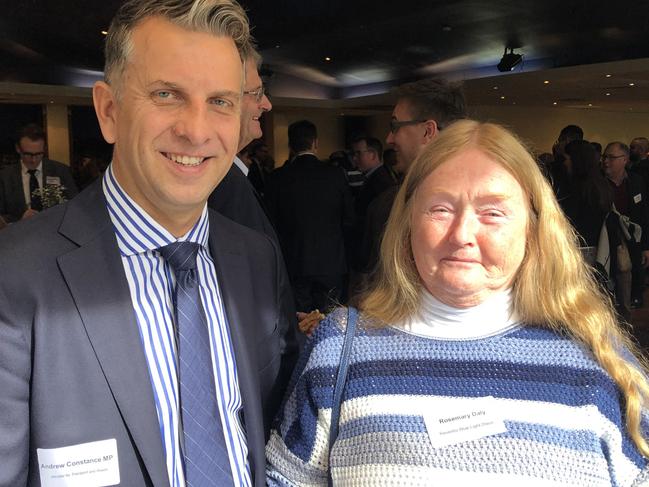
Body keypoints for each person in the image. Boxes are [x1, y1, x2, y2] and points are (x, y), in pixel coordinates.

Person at [0, 1, 297, 486]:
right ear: (109, 111)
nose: (196, 130)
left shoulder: (256, 257)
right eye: (167, 94)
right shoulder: (16, 276)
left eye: (220, 101)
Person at [266, 120, 649, 486]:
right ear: (408, 222)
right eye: (441, 209)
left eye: (493, 213)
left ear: (533, 230)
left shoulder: (597, 362)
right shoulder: (339, 350)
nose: (462, 234)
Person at [265, 120, 354, 312]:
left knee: (299, 320)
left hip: (294, 261)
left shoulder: (278, 178)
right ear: (315, 143)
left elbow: (270, 223)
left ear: (290, 145)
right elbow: (348, 219)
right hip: (331, 261)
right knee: (331, 321)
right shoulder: (335, 175)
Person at [0, 123, 78, 222]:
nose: (33, 160)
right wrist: (20, 219)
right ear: (18, 149)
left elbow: (74, 205)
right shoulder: (5, 177)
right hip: (19, 233)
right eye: (28, 154)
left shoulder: (60, 171)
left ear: (44, 148)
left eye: (38, 154)